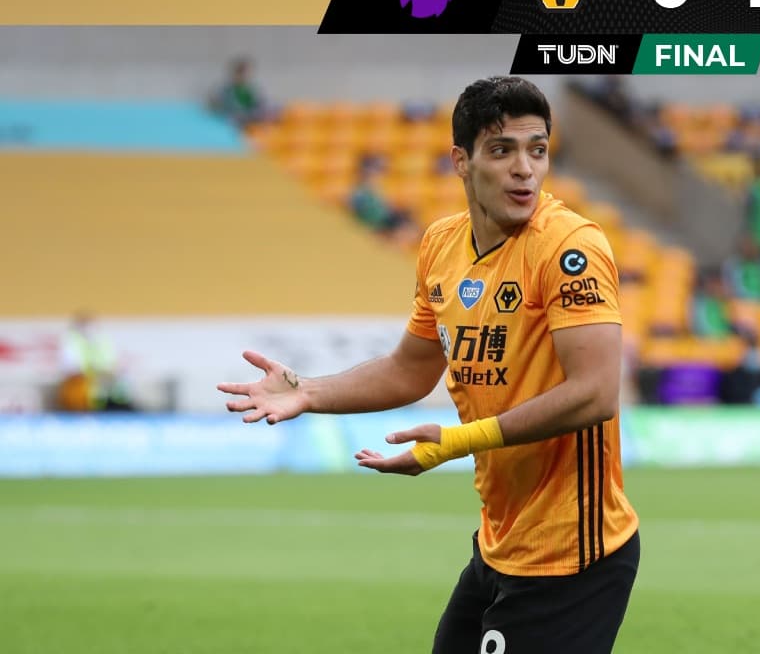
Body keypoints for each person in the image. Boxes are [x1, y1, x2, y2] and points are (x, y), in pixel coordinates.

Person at [218, 77, 640, 654]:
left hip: (574, 553)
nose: (525, 169)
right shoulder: (442, 244)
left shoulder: (570, 248)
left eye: (537, 150)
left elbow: (596, 393)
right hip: (500, 545)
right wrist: (309, 391)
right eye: (502, 150)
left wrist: (458, 441)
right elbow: (410, 370)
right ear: (461, 161)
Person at [58, 310, 135, 412]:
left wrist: (108, 373)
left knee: (120, 383)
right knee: (88, 388)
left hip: (104, 381)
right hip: (83, 385)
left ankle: (122, 408)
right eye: (85, 324)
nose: (90, 328)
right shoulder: (71, 341)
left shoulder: (102, 340)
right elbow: (71, 369)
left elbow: (111, 363)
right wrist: (94, 374)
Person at [348, 152, 422, 248]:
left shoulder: (377, 189)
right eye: (375, 172)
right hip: (376, 223)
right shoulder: (359, 192)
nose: (377, 176)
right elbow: (357, 213)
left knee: (408, 220)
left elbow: (386, 208)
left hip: (385, 220)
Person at [210, 57, 268, 128]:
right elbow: (219, 106)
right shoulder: (226, 90)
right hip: (233, 119)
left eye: (245, 74)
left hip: (249, 119)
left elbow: (259, 104)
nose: (243, 76)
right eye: (240, 73)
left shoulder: (250, 89)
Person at [689, 266, 735, 339]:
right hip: (707, 341)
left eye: (721, 285)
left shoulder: (724, 303)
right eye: (716, 284)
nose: (721, 288)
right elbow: (700, 328)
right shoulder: (699, 303)